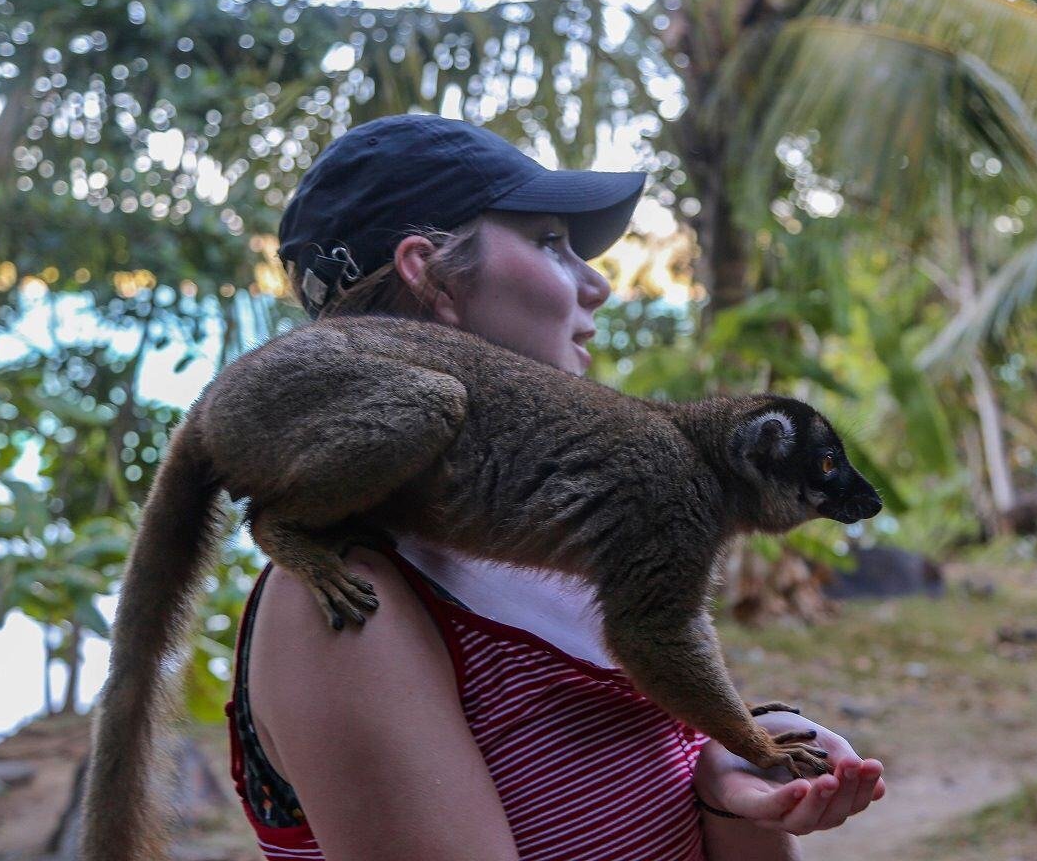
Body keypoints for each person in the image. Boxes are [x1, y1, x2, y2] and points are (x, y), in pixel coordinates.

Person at [223, 114, 887, 861]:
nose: (599, 284)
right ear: (430, 273)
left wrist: (731, 779)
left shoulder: (571, 530)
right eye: (550, 242)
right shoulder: (346, 601)